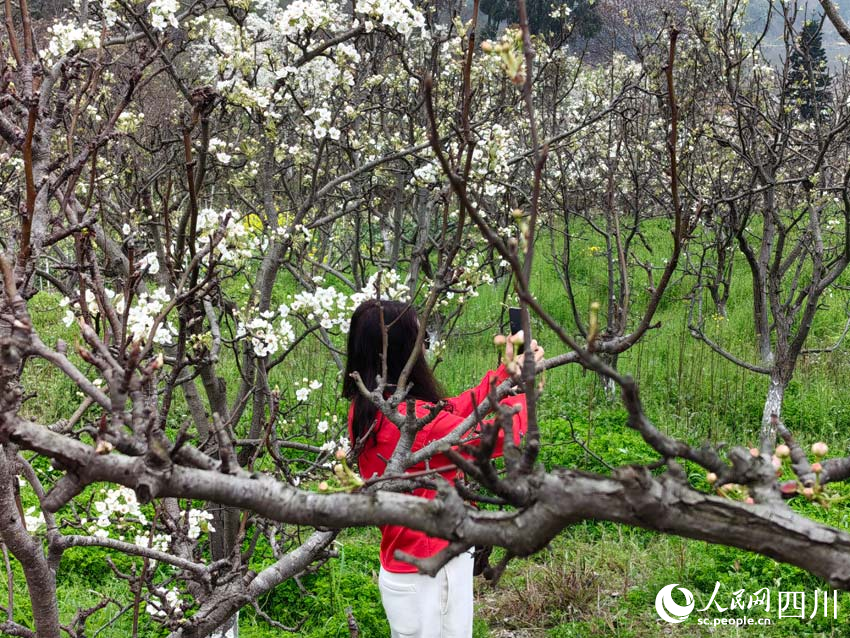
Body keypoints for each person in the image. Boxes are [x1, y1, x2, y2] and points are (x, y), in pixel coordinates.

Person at [343, 299, 543, 638]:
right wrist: (523, 389)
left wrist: (503, 376)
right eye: (418, 337)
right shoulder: (408, 419)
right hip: (430, 573)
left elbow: (451, 414)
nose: (424, 346)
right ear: (402, 350)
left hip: (411, 566)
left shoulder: (371, 409)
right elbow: (501, 438)